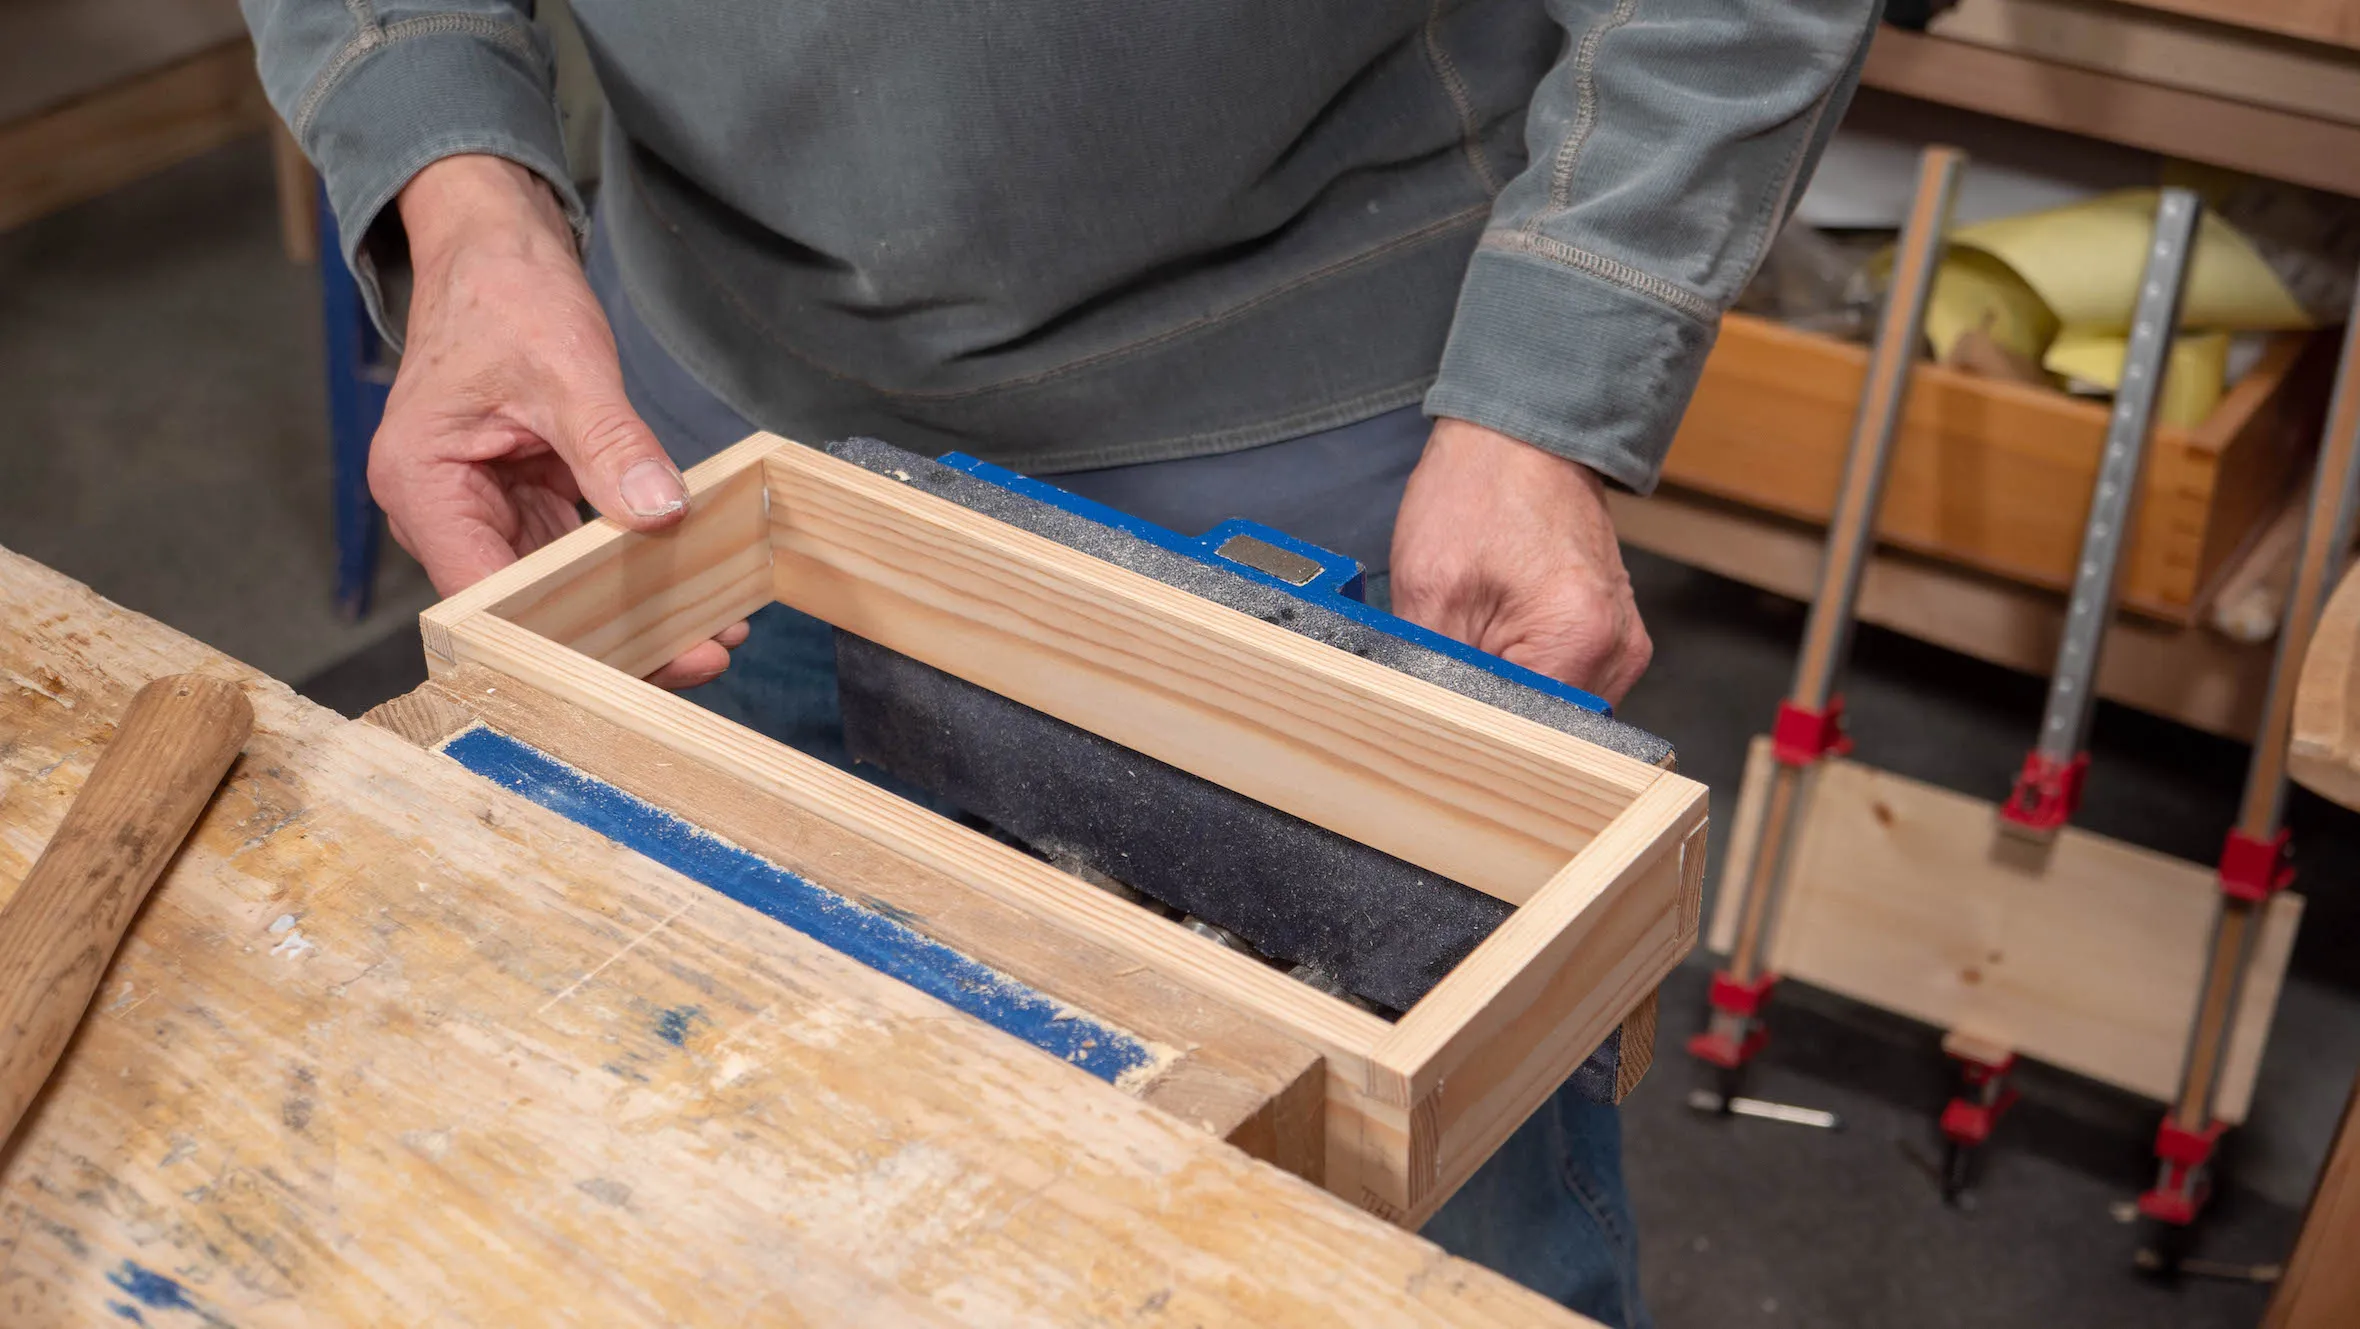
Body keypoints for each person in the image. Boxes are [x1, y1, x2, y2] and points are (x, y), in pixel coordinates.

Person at [246, 3, 1877, 1322]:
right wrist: (464, 199)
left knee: (1419, 1257)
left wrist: (1552, 380)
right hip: (694, 457)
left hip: (1326, 424)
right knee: (796, 1175)